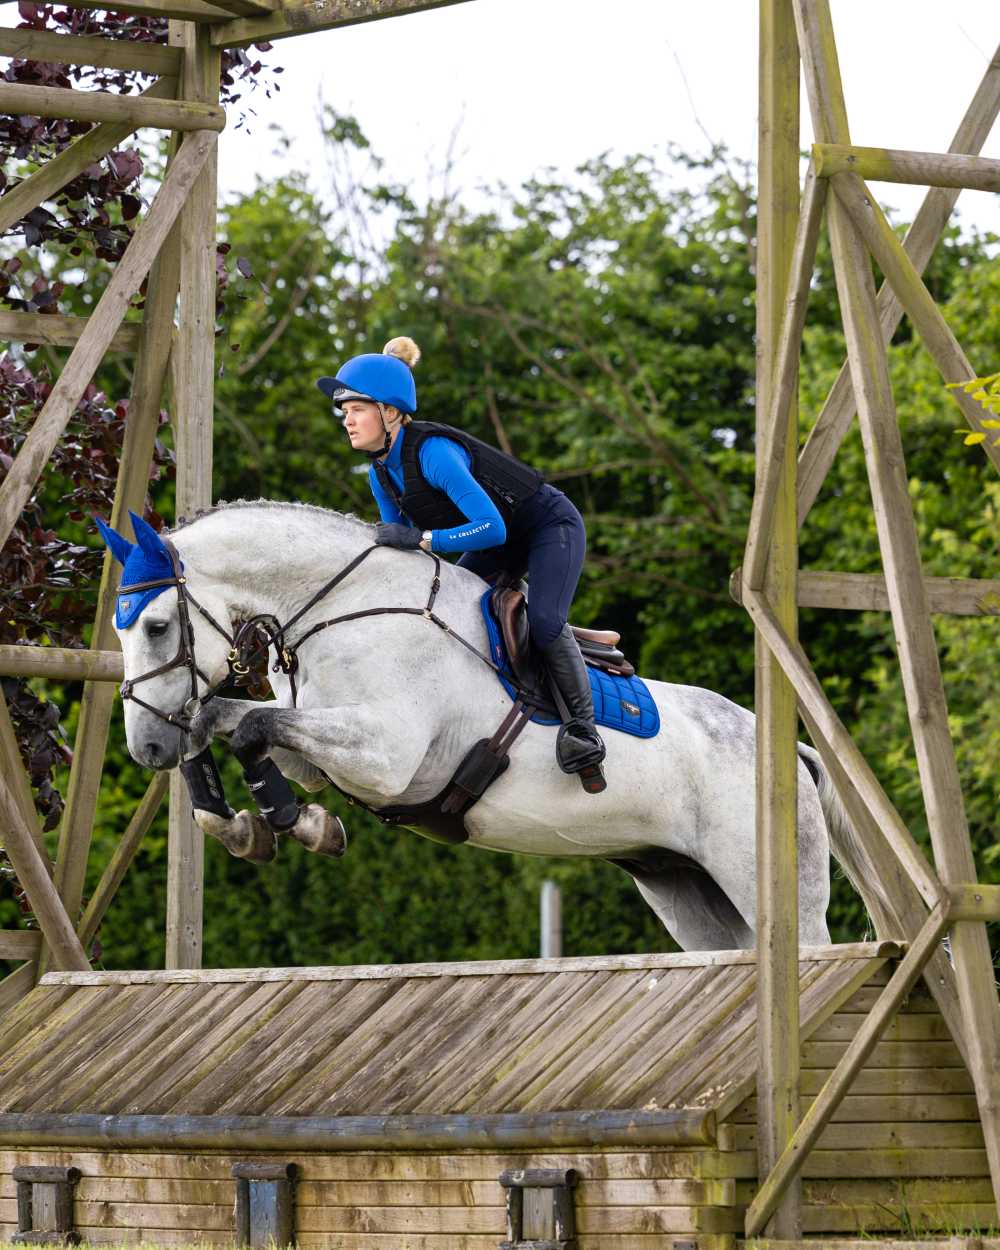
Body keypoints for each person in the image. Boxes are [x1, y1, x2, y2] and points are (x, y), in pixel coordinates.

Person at [316, 336, 607, 792]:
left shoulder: (433, 452)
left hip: (547, 528)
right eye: (344, 412)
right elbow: (401, 551)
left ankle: (583, 732)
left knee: (547, 620)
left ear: (390, 413)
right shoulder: (379, 472)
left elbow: (491, 529)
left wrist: (424, 539)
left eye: (356, 409)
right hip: (501, 543)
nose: (347, 420)